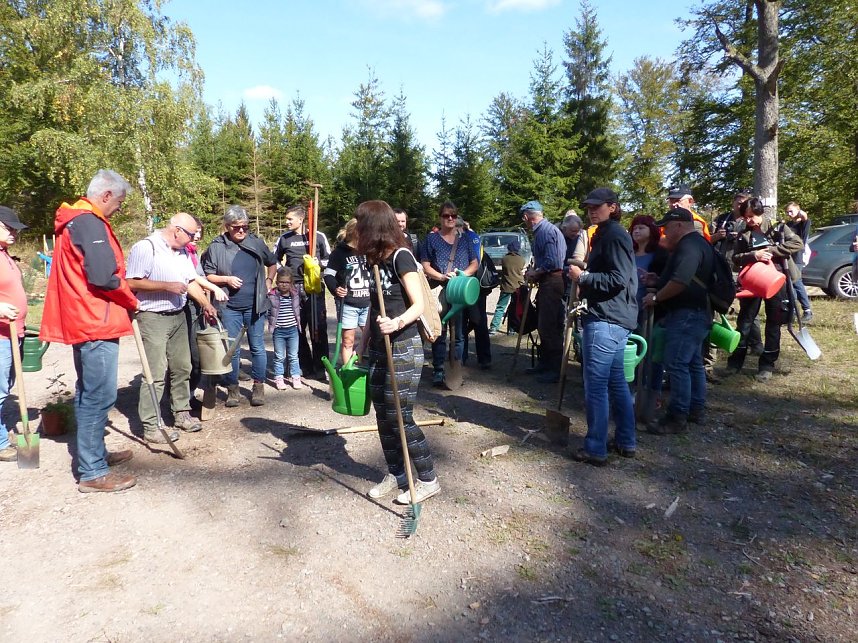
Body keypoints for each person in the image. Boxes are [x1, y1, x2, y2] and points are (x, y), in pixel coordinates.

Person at [40, 170, 139, 492]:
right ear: (106, 195)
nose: (120, 209)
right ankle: (92, 472)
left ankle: (94, 456)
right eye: (120, 202)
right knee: (99, 395)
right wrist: (130, 299)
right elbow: (103, 276)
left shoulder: (76, 221)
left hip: (87, 318)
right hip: (94, 321)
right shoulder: (88, 222)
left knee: (88, 393)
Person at [356, 200, 440, 504]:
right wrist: (362, 343)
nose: (357, 228)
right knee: (382, 414)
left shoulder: (401, 256)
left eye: (361, 223)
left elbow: (418, 304)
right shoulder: (372, 258)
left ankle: (428, 479)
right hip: (380, 347)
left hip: (403, 346)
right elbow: (373, 308)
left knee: (400, 416)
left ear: (374, 225)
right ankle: (398, 474)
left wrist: (397, 322)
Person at [126, 213, 218, 442]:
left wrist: (206, 303)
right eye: (191, 234)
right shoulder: (146, 248)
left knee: (183, 367)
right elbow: (131, 282)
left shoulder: (181, 253)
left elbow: (189, 282)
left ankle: (181, 413)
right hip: (152, 316)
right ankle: (150, 425)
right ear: (177, 230)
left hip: (178, 315)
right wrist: (166, 286)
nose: (193, 239)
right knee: (156, 372)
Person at [567, 188, 638, 466]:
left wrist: (583, 276)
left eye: (597, 206)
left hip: (607, 319)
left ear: (613, 206)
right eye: (589, 206)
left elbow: (617, 278)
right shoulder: (608, 233)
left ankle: (596, 448)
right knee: (617, 383)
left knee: (596, 386)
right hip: (615, 318)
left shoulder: (614, 235)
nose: (591, 210)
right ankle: (626, 440)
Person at [642, 208, 714, 434]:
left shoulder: (689, 246)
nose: (664, 231)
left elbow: (681, 281)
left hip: (687, 314)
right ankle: (696, 409)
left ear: (680, 226)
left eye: (667, 227)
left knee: (676, 364)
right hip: (697, 312)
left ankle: (677, 416)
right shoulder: (699, 244)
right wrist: (658, 280)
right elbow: (682, 278)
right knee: (692, 362)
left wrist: (656, 297)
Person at [201, 205, 277, 407]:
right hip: (229, 307)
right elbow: (207, 275)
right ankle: (232, 388)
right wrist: (226, 279)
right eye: (236, 227)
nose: (242, 230)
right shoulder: (217, 246)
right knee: (232, 350)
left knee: (258, 348)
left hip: (255, 306)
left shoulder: (256, 242)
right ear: (227, 226)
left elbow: (272, 262)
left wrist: (269, 282)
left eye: (245, 226)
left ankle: (258, 387)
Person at [724, 197, 803, 382]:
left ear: (760, 213)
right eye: (745, 217)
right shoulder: (743, 233)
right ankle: (735, 363)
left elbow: (797, 243)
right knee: (745, 322)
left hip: (777, 280)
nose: (749, 220)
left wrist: (772, 251)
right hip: (753, 281)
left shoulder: (778, 227)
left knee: (774, 323)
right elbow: (736, 258)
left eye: (751, 216)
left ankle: (767, 364)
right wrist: (754, 255)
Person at [421, 201, 478, 387]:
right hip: (440, 289)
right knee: (440, 330)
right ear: (440, 217)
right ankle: (438, 369)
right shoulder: (431, 239)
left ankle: (456, 367)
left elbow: (474, 263)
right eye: (446, 215)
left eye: (453, 215)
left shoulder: (466, 239)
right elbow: (425, 265)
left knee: (459, 332)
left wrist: (463, 275)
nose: (450, 218)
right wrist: (442, 276)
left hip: (460, 289)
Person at [272, 204, 331, 379]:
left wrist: (317, 264)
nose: (287, 222)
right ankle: (304, 366)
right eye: (286, 218)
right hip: (293, 289)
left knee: (318, 328)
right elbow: (273, 260)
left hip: (314, 287)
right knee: (297, 327)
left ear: (301, 219)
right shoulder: (284, 238)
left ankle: (321, 366)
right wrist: (284, 273)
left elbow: (329, 260)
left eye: (290, 219)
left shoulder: (317, 237)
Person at [521, 201, 566, 383]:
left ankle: (554, 369)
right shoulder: (543, 230)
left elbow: (553, 262)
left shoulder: (546, 231)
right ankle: (545, 363)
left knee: (549, 326)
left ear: (526, 217)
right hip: (548, 281)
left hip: (553, 282)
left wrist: (535, 272)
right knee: (544, 324)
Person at [0, 207, 28, 463]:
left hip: (14, 332)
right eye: (9, 228)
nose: (14, 233)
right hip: (0, 336)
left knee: (6, 387)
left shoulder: (5, 255)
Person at [323, 218, 370, 366]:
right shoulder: (339, 253)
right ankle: (347, 372)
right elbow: (328, 274)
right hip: (348, 304)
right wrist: (336, 288)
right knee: (348, 340)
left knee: (372, 338)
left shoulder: (369, 250)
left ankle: (368, 370)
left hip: (368, 303)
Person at [460, 219, 492, 369]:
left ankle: (468, 358)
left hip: (473, 286)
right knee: (473, 322)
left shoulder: (471, 239)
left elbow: (475, 263)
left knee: (474, 322)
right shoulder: (474, 238)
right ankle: (478, 358)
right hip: (472, 286)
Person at [267, 267, 303, 390]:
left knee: (293, 355)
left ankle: (296, 377)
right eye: (281, 282)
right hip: (279, 331)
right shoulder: (272, 295)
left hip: (293, 330)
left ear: (291, 283)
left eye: (287, 282)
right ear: (277, 283)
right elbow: (268, 311)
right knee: (279, 356)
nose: (284, 285)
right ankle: (279, 377)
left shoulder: (295, 295)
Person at [628, 214, 664, 330]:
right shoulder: (628, 253)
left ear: (652, 230)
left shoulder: (659, 255)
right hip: (625, 308)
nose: (636, 231)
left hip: (646, 311)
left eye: (641, 228)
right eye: (634, 228)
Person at [489, 239, 526, 335]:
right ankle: (512, 329)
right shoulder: (521, 259)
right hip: (518, 287)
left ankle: (494, 327)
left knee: (500, 307)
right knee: (514, 308)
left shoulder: (505, 259)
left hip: (506, 286)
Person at [785, 201, 813, 323]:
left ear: (798, 210)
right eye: (787, 212)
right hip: (788, 257)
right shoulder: (788, 224)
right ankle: (793, 311)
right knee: (790, 285)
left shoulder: (803, 224)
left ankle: (807, 310)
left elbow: (805, 218)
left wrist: (801, 214)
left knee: (796, 283)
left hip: (798, 258)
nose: (789, 214)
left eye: (791, 211)